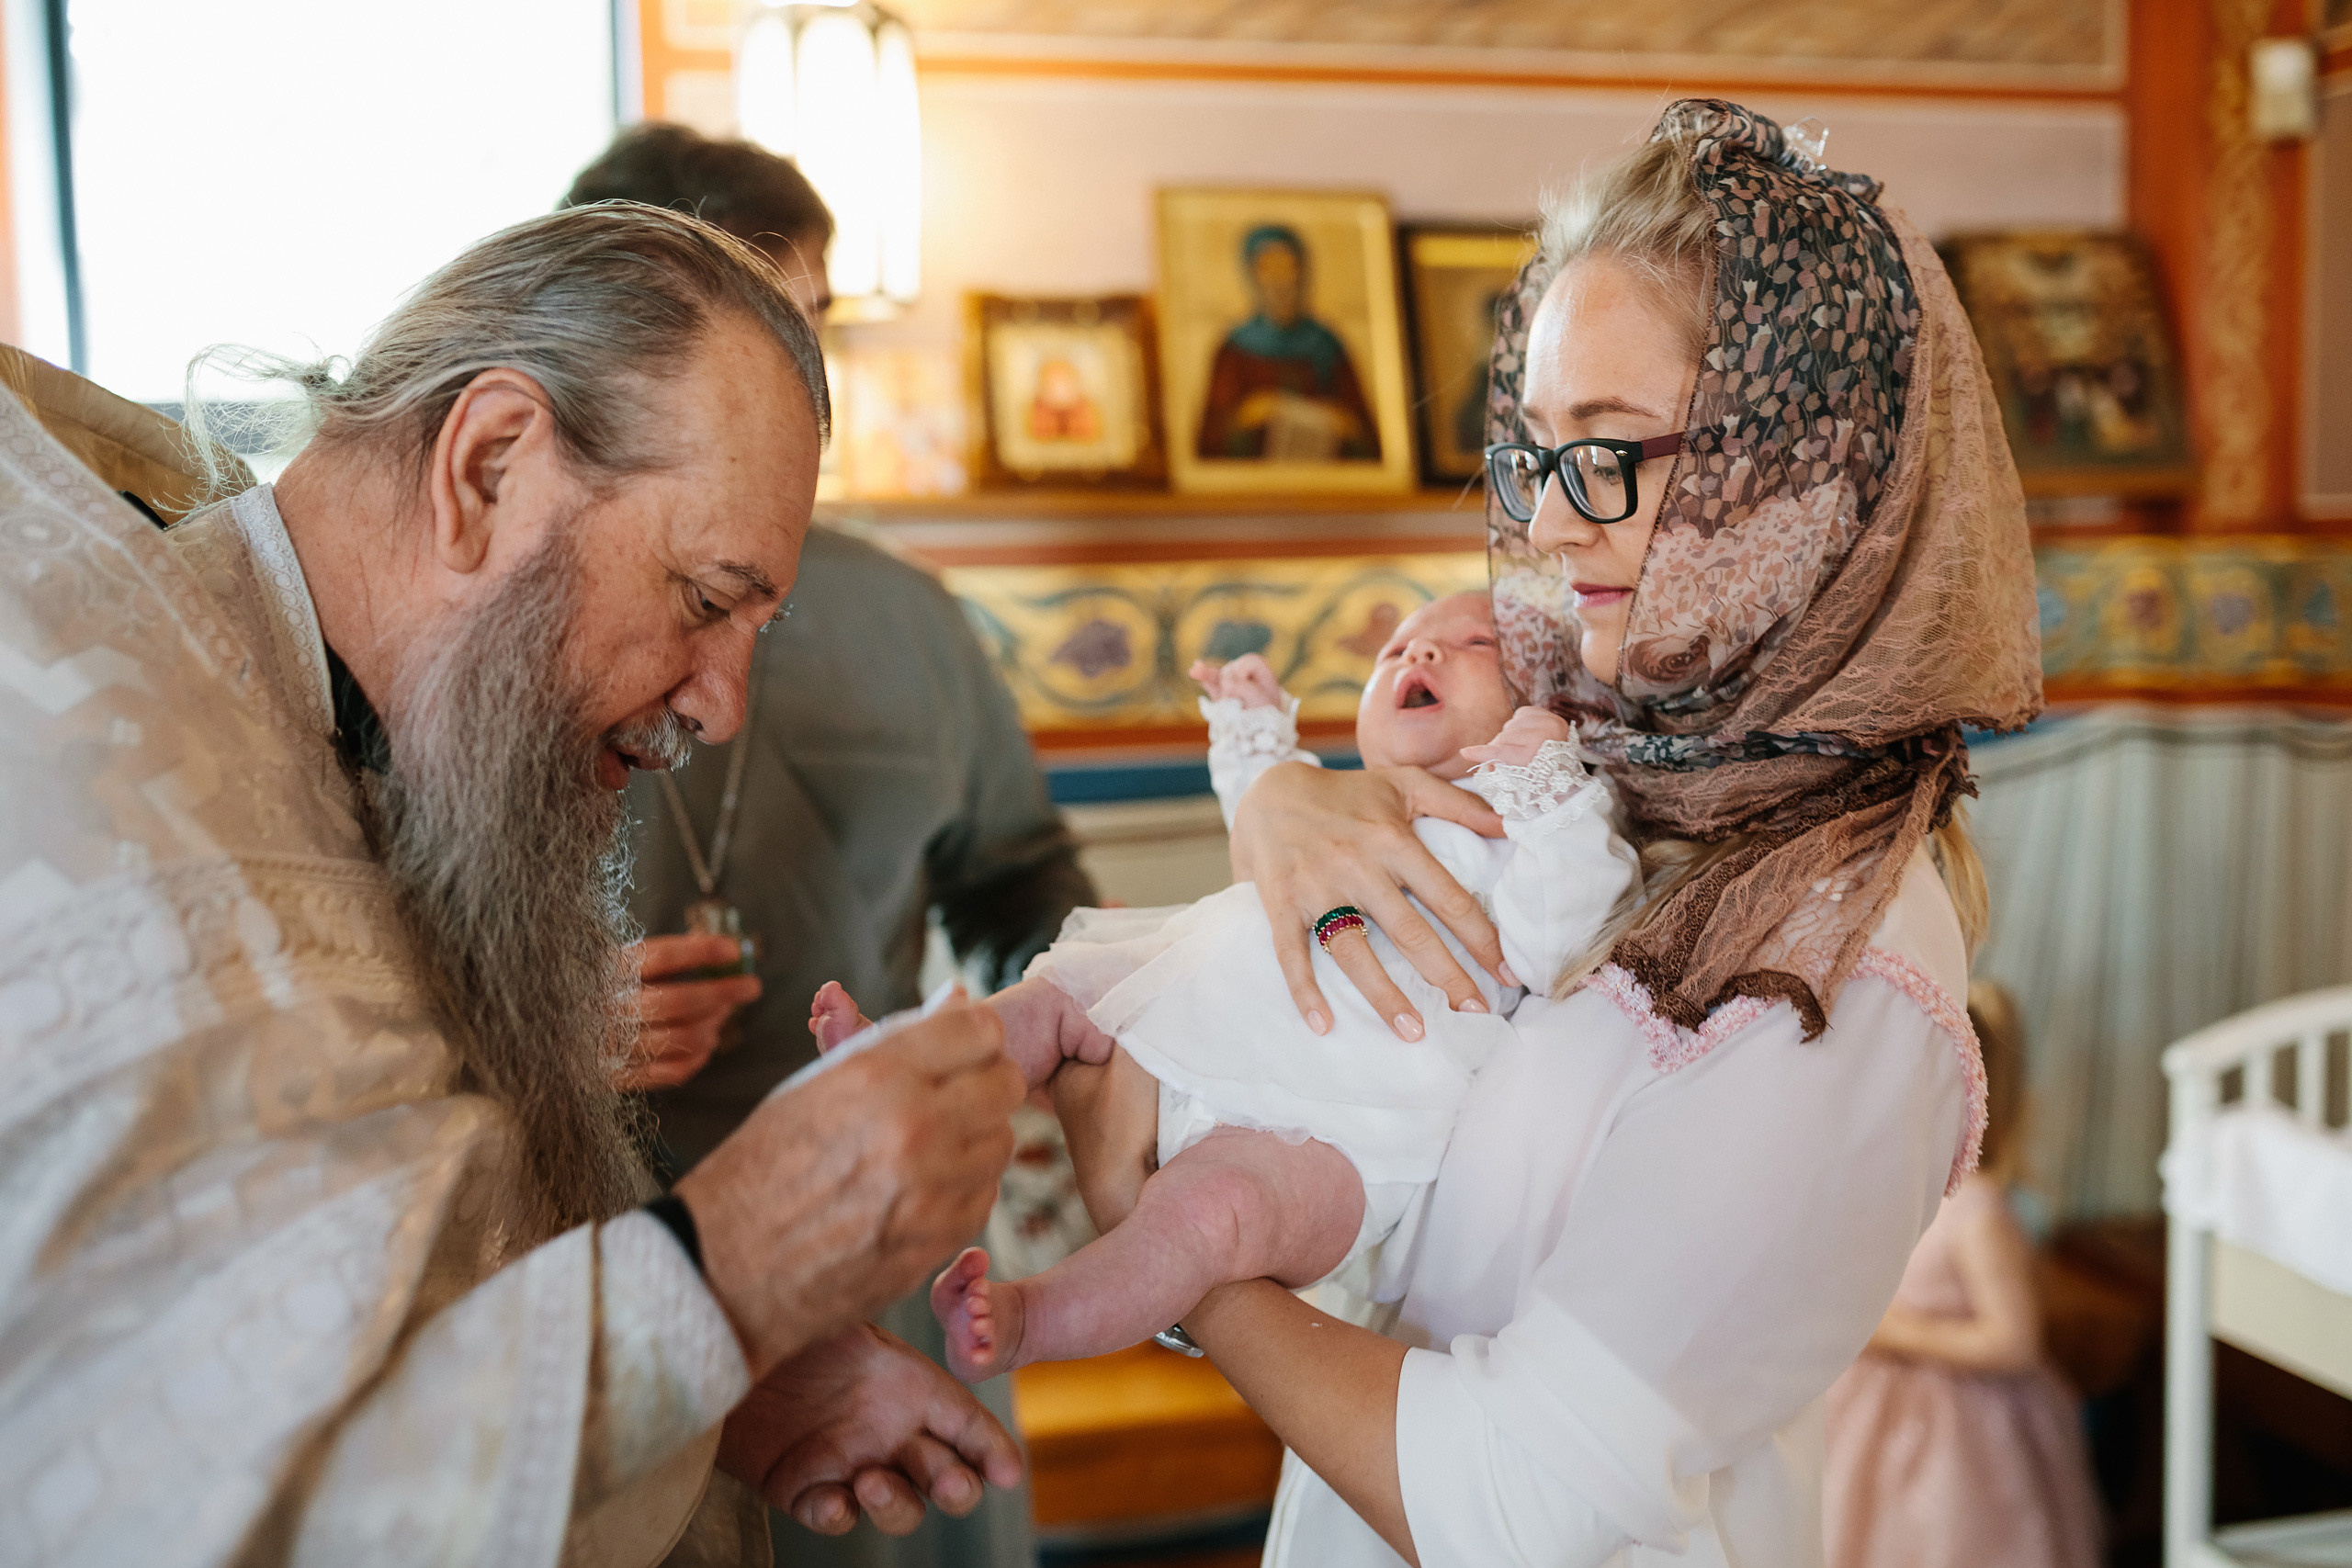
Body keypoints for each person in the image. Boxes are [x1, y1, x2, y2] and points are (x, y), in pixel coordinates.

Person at [1005, 99, 2045, 1566]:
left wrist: (1170, 1244)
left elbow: (1523, 1499)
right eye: (1539, 454)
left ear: (1810, 478)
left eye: (1612, 450)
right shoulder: (1622, 762)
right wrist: (1295, 804)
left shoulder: (1843, 975)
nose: (1556, 529)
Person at [0, 205, 1044, 1565]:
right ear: (487, 467)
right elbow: (190, 1491)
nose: (721, 705)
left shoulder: (370, 742)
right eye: (702, 598)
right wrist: (728, 1269)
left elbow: (379, 1287)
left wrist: (704, 1393)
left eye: (754, 627)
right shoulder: (115, 775)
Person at [563, 123, 1092, 1568]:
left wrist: (1024, 1021)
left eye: (814, 328)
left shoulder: (909, 618)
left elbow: (1019, 873)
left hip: (886, 1248)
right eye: (758, 324)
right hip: (609, 1250)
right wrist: (551, 1031)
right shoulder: (513, 616)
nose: (805, 385)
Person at [906, 592, 1635, 1380]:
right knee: (1064, 987)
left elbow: (1565, 933)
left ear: (1555, 705)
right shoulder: (1332, 797)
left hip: (1336, 1128)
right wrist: (1252, 730)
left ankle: (1030, 1319)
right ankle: (912, 1070)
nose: (1419, 654)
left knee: (1206, 1222)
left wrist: (1551, 792)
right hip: (1186, 1011)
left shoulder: (1511, 834)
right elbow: (1259, 818)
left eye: (1472, 642)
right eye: (1396, 647)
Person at [1823, 981, 2103, 1568]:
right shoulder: (1895, 1188)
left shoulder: (1975, 1212)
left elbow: (2014, 1342)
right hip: (1873, 1404)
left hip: (1960, 1429)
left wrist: (1890, 1333)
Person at [1195, 224, 1382, 462]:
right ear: (1252, 276)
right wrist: (1250, 413)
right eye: (1268, 269)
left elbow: (1366, 437)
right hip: (1252, 487)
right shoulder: (1235, 348)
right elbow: (1209, 442)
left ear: (1302, 272)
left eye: (1288, 268)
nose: (1279, 281)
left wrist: (1338, 420)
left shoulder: (1327, 344)